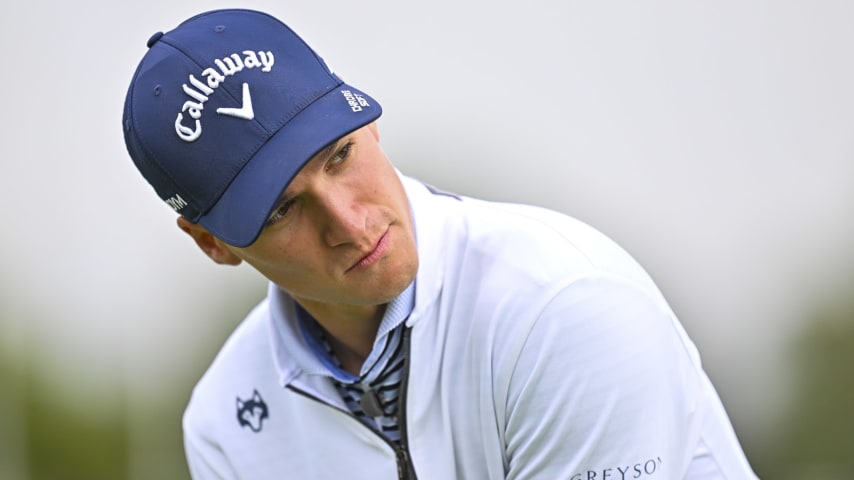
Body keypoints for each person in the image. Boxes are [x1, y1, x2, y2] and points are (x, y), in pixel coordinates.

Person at [122, 8, 759, 480]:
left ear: (364, 119)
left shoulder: (564, 305)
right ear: (212, 243)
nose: (349, 223)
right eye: (284, 208)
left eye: (340, 155)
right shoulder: (226, 421)